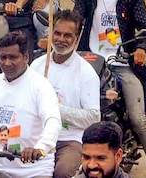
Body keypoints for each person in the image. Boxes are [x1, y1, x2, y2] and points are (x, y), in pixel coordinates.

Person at [73, 0, 146, 178]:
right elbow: (74, 23)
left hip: (122, 64)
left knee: (139, 120)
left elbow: (145, 28)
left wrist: (141, 49)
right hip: (89, 62)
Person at [0, 32, 61, 178]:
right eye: (3, 58)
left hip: (33, 172)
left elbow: (53, 121)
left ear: (26, 57)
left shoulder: (40, 86)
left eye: (13, 57)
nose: (7, 63)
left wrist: (41, 148)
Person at [30, 11, 100, 178]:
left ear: (77, 38)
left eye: (67, 35)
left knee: (62, 172)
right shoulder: (37, 65)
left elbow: (93, 117)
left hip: (69, 139)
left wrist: (54, 109)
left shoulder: (86, 73)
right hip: (36, 135)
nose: (61, 39)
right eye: (57, 33)